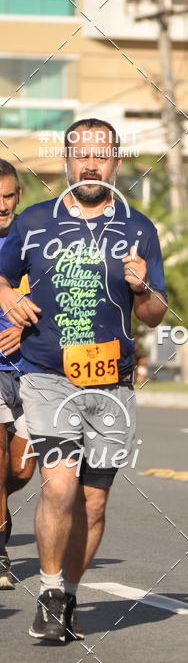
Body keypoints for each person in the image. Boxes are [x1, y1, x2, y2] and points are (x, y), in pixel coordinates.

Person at [0, 118, 167, 641]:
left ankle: (68, 594)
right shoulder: (32, 223)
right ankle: (49, 589)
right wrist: (9, 298)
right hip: (48, 375)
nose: (91, 163)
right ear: (67, 162)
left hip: (112, 383)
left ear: (117, 162)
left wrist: (142, 289)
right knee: (60, 484)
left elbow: (156, 313)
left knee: (93, 502)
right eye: (81, 154)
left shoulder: (139, 228)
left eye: (102, 154)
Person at [0, 160, 36, 588]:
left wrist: (27, 333)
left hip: (31, 369)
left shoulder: (36, 239)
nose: (2, 205)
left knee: (21, 472)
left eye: (9, 196)